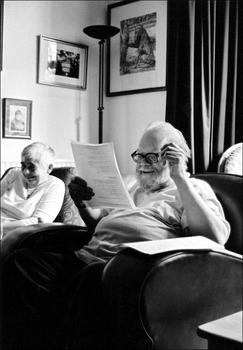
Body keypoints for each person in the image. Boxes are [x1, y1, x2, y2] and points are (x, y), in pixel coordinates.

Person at [1, 122, 230, 350]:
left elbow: (215, 237)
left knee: (88, 280)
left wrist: (180, 179)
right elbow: (99, 221)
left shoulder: (192, 188)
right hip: (87, 257)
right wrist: (81, 204)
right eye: (139, 156)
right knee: (22, 261)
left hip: (131, 272)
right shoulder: (135, 188)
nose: (141, 164)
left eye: (150, 157)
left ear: (175, 158)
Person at [1, 142, 65, 238]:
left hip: (19, 236)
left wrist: (2, 227)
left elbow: (39, 222)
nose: (25, 172)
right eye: (23, 165)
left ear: (49, 168)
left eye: (32, 167)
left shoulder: (55, 185)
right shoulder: (13, 173)